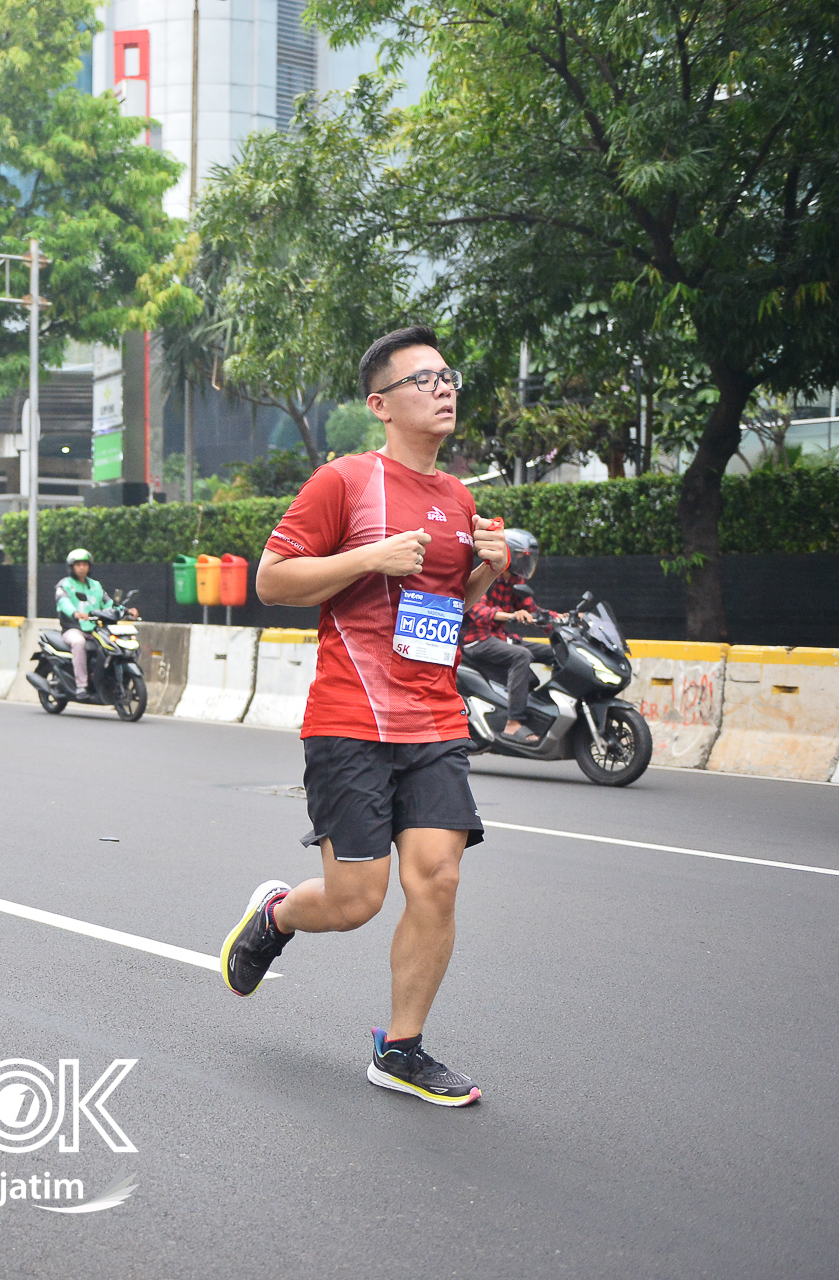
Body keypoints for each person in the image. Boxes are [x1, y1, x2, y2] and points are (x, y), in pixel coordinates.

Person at [219, 325, 510, 1107]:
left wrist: (483, 574)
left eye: (447, 376)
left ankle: (400, 1050)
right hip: (349, 718)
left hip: (433, 717)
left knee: (438, 879)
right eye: (423, 380)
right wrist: (368, 557)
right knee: (354, 902)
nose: (442, 388)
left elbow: (443, 611)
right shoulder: (344, 481)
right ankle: (277, 917)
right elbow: (271, 581)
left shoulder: (457, 498)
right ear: (380, 405)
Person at [459, 529, 554, 745]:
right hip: (476, 640)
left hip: (500, 637)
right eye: (521, 556)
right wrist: (511, 615)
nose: (525, 561)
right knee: (521, 655)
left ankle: (541, 712)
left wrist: (563, 618)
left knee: (553, 652)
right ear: (509, 553)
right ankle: (513, 723)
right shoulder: (487, 573)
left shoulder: (516, 581)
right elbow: (478, 610)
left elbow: (534, 611)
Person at [53, 549, 136, 697]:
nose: (82, 568)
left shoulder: (95, 585)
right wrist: (75, 613)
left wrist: (127, 611)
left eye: (85, 564)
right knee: (79, 643)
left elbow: (109, 603)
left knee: (112, 645)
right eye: (78, 565)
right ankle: (81, 685)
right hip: (73, 628)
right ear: (72, 567)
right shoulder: (64, 585)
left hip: (96, 629)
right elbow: (63, 602)